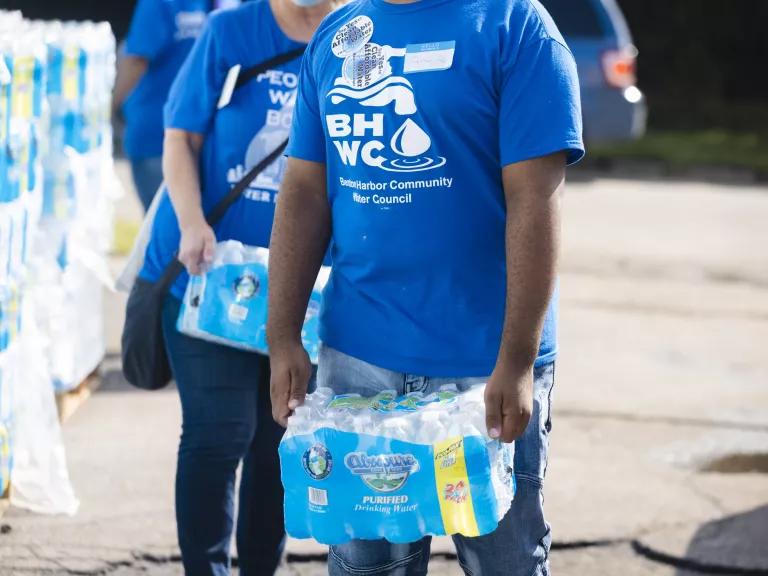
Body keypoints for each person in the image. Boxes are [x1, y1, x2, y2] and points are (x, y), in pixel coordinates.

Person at [267, 0, 584, 574]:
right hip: (359, 364)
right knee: (367, 567)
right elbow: (304, 193)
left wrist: (515, 362)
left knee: (504, 563)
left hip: (483, 369)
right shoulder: (338, 36)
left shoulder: (516, 26)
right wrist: (281, 333)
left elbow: (535, 203)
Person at [135, 0, 335, 573]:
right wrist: (193, 221)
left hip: (303, 291)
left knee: (277, 444)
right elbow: (180, 138)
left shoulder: (361, 38)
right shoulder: (230, 31)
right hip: (211, 280)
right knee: (218, 433)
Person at [113, 0, 237, 211]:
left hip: (157, 132)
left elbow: (136, 60)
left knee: (166, 230)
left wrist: (113, 103)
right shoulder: (225, 5)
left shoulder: (160, 3)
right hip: (202, 135)